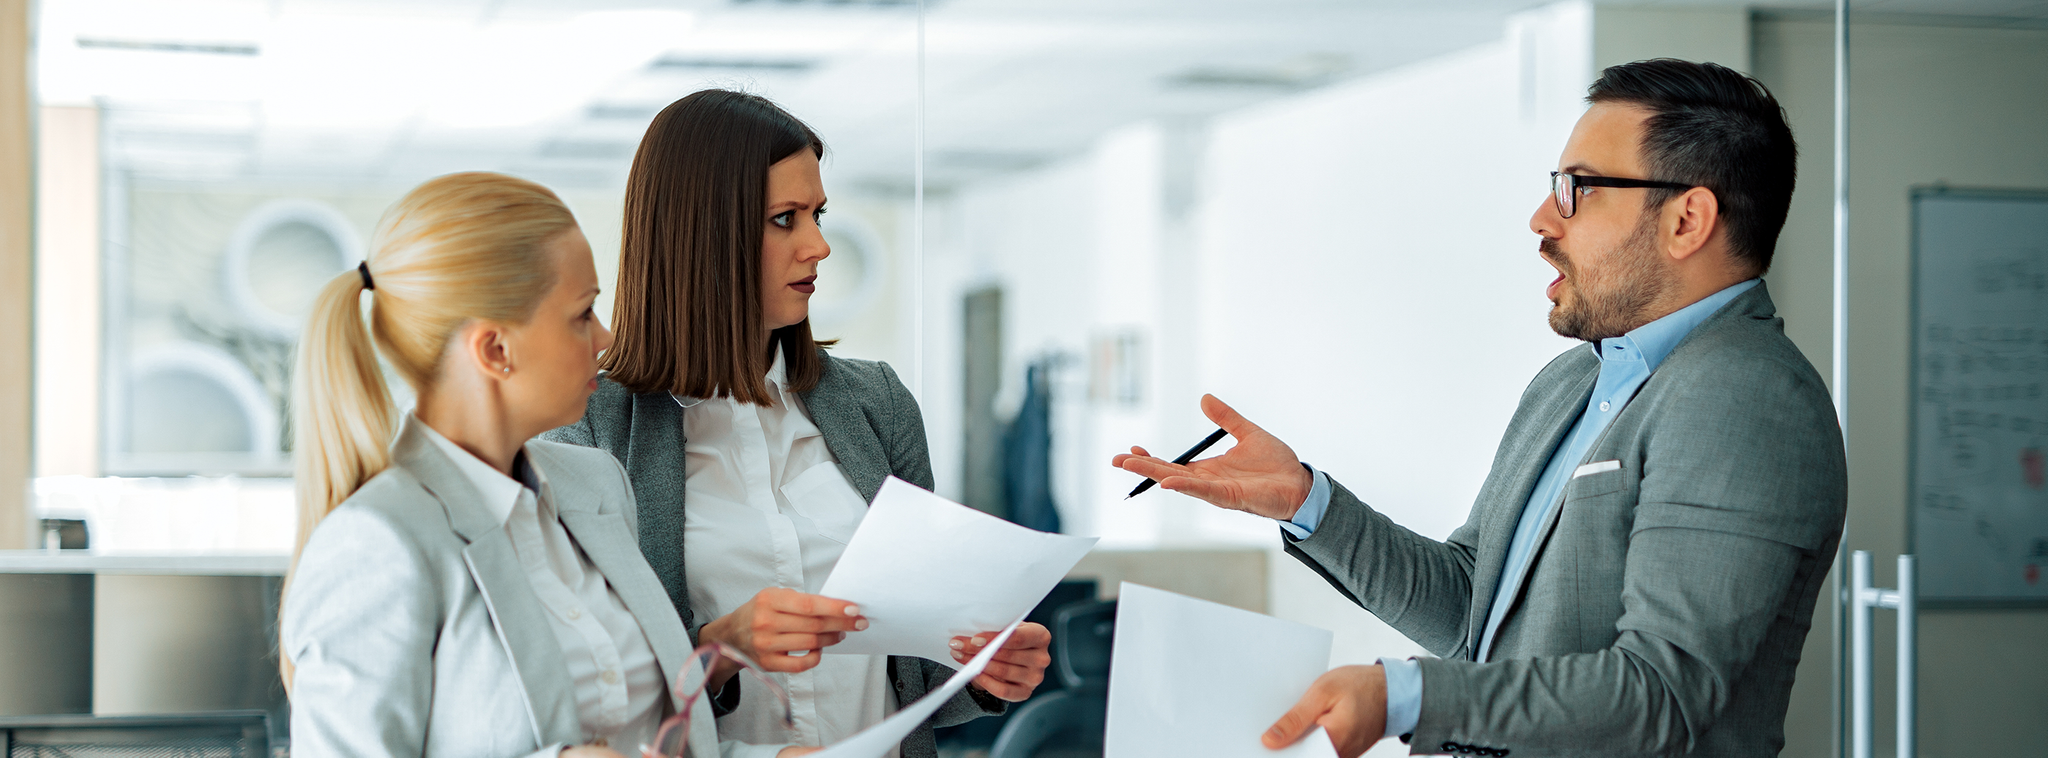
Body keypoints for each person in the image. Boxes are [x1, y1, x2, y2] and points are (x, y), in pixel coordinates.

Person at [1114, 59, 1846, 758]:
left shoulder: (1747, 399)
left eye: (1576, 190)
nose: (1541, 220)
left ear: (1688, 220)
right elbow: (1471, 606)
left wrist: (1407, 696)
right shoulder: (1569, 385)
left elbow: (1662, 693)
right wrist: (1308, 501)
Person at [543, 90, 1050, 758]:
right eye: (785, 219)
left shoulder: (878, 404)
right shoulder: (587, 431)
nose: (819, 246)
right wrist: (718, 645)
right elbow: (594, 696)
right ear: (703, 235)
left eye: (818, 214)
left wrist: (985, 672)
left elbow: (921, 669)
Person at [281, 172, 811, 758]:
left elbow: (650, 738)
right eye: (583, 314)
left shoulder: (595, 485)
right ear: (495, 350)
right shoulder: (377, 542)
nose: (605, 337)